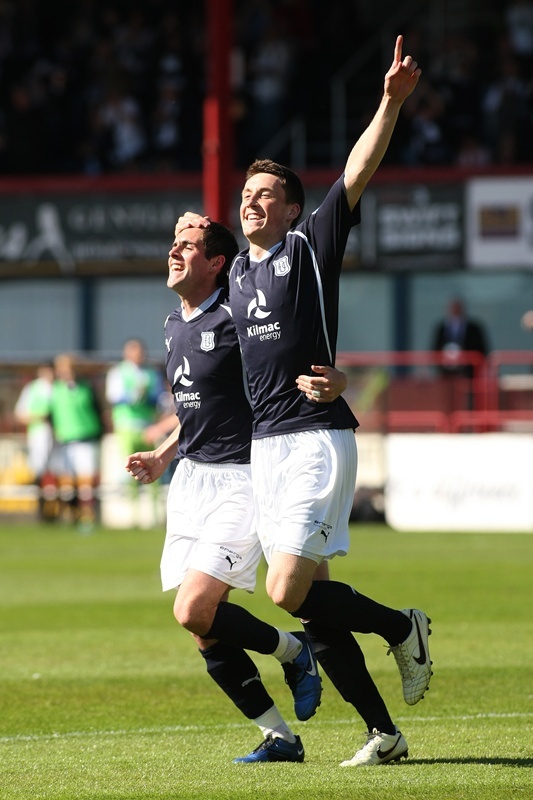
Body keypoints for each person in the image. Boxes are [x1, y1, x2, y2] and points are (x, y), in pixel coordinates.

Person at [176, 36, 432, 767]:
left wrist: (388, 101)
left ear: (290, 208)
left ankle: (401, 627)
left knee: (286, 588)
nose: (251, 203)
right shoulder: (233, 285)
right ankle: (383, 734)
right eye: (245, 196)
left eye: (265, 196)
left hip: (316, 435)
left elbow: (355, 171)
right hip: (265, 451)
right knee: (313, 607)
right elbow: (213, 366)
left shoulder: (309, 246)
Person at [125, 220, 348, 764]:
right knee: (204, 630)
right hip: (191, 483)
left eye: (188, 245)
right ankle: (280, 738)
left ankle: (294, 652)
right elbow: (196, 410)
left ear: (216, 264)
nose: (174, 251)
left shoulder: (235, 319)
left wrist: (337, 381)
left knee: (193, 609)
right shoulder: (173, 324)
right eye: (173, 243)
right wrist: (163, 454)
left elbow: (285, 362)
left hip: (243, 478)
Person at [106, 338, 167, 520]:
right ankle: (134, 515)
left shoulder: (151, 373)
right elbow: (114, 396)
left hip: (147, 425)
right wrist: (133, 396)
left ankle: (155, 515)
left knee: (153, 467)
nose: (137, 355)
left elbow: (158, 397)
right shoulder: (118, 372)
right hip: (126, 425)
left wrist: (148, 398)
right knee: (131, 470)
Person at [49, 353, 103, 531]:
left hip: (86, 439)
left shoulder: (86, 388)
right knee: (66, 482)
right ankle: (68, 515)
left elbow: (97, 412)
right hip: (64, 441)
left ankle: (87, 517)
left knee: (85, 482)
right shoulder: (55, 390)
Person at [14, 362, 57, 521]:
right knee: (39, 470)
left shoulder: (59, 388)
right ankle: (42, 511)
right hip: (39, 434)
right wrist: (39, 417)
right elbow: (20, 413)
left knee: (58, 472)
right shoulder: (33, 389)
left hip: (60, 435)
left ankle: (57, 509)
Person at [431, 296, 489, 377]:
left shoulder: (474, 328)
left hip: (468, 371)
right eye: (453, 307)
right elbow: (435, 349)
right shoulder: (441, 328)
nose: (455, 310)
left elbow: (482, 349)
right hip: (446, 371)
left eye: (457, 307)